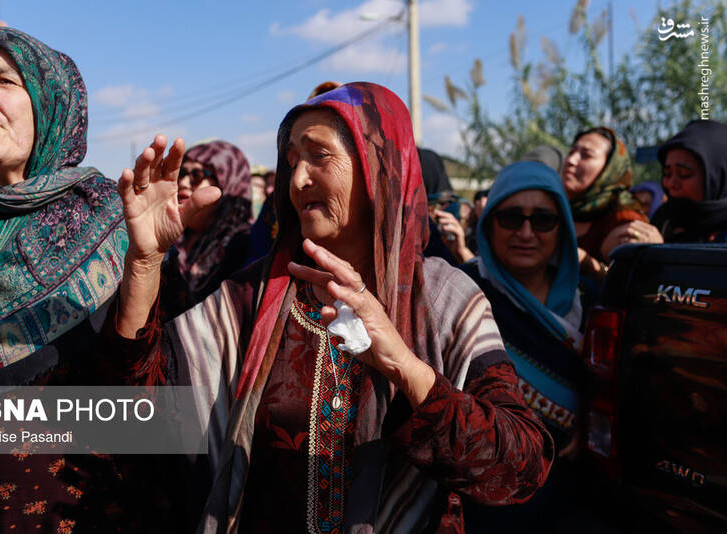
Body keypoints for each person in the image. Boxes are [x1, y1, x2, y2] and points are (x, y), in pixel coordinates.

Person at [114, 82, 553, 532]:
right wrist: (144, 263)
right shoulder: (250, 298)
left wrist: (406, 368)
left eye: (319, 155)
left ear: (378, 167)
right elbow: (131, 419)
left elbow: (519, 470)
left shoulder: (444, 301)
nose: (297, 180)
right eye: (291, 162)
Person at [0, 28, 131, 531]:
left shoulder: (109, 223)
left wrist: (147, 266)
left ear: (50, 103)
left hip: (70, 512)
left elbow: (146, 394)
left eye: (3, 79)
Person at [461, 161, 590, 531]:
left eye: (544, 220)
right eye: (511, 218)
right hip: (483, 493)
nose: (527, 233)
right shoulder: (462, 290)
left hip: (567, 491)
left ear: (563, 228)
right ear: (489, 224)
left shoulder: (589, 302)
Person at [160, 140, 252, 320]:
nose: (184, 182)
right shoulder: (171, 237)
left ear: (227, 182)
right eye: (182, 173)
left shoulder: (244, 243)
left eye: (197, 174)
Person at [561, 127, 645, 274]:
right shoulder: (553, 209)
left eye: (586, 155)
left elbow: (635, 282)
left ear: (610, 168)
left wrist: (591, 266)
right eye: (571, 152)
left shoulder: (625, 219)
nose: (571, 160)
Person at [651, 119, 727, 243]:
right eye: (667, 174)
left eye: (684, 174)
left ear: (717, 179)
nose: (671, 184)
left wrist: (659, 250)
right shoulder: (663, 221)